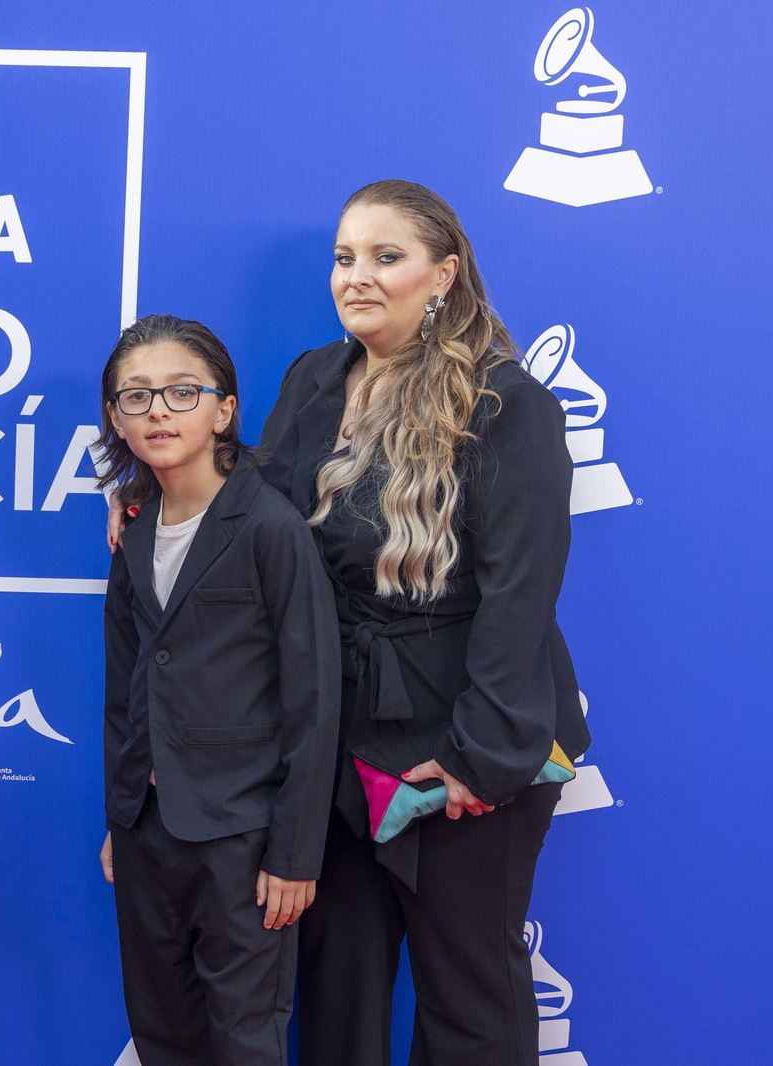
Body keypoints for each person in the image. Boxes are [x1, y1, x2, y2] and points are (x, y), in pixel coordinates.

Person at [259, 180, 591, 1065]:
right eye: (343, 258)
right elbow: (257, 516)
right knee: (338, 987)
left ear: (443, 275)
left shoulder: (506, 404)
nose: (355, 277)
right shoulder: (313, 378)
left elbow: (522, 593)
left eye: (385, 257)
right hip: (343, 742)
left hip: (465, 742)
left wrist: (479, 755)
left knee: (467, 995)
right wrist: (153, 494)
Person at [95, 315, 340, 1066]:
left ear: (224, 410)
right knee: (163, 1032)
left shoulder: (271, 527)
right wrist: (123, 812)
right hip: (147, 832)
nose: (157, 411)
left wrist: (295, 854)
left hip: (243, 836)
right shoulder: (133, 529)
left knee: (244, 1039)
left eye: (180, 392)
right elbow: (123, 688)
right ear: (114, 417)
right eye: (135, 397)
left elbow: (313, 699)